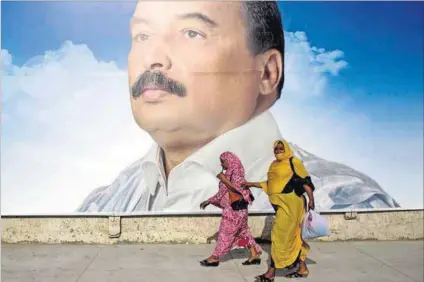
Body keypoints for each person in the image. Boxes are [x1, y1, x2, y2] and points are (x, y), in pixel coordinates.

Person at [76, 1, 399, 214]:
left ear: (267, 72)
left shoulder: (343, 205)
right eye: (142, 36)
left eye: (191, 33)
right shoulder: (104, 206)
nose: (153, 58)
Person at [242, 139, 315, 281]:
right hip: (280, 206)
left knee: (278, 237)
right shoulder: (274, 165)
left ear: (286, 148)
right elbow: (270, 184)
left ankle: (270, 273)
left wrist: (311, 199)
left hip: (292, 205)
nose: (279, 150)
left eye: (281, 148)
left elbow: (306, 181)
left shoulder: (294, 162)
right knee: (293, 237)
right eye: (276, 148)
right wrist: (250, 184)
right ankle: (302, 268)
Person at [199, 151, 262, 267]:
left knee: (225, 234)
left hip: (235, 211)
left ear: (229, 161)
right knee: (242, 234)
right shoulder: (230, 172)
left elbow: (237, 188)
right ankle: (254, 253)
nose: (222, 165)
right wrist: (210, 200)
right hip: (235, 209)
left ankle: (215, 257)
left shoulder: (237, 171)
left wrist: (223, 179)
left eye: (223, 162)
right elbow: (223, 192)